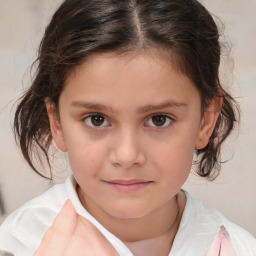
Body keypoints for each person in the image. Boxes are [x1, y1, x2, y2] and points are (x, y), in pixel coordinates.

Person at [0, 0, 255, 255]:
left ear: (205, 120)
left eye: (159, 120)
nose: (127, 155)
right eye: (96, 119)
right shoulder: (19, 243)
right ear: (57, 122)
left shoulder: (240, 248)